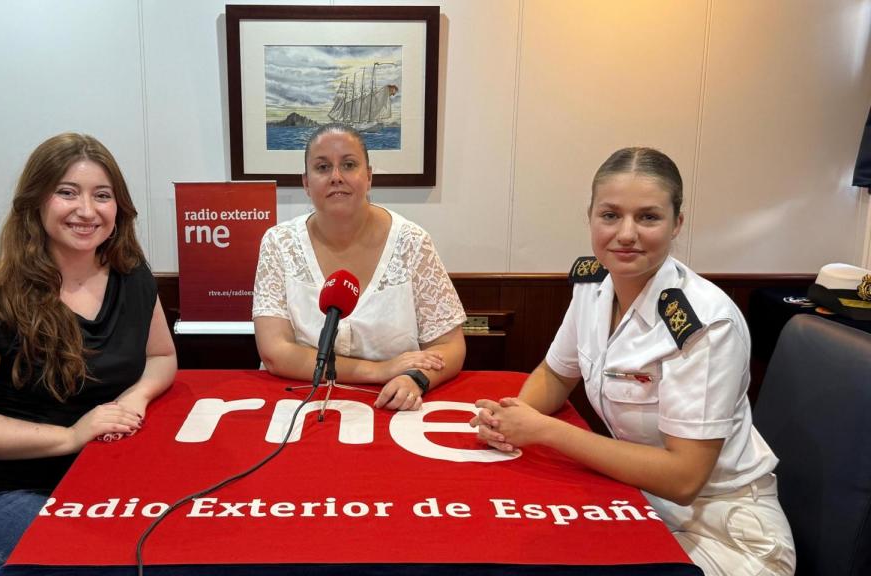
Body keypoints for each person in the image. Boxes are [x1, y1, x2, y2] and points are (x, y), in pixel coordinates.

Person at [471, 147, 795, 575]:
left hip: (724, 531)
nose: (626, 233)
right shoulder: (593, 285)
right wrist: (511, 420)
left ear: (677, 223)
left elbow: (684, 478)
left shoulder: (704, 323)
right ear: (590, 217)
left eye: (648, 217)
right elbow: (555, 374)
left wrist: (542, 430)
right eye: (610, 215)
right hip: (637, 502)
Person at [0, 133, 176, 576]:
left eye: (102, 195)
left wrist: (133, 398)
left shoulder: (133, 276)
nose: (87, 210)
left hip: (94, 487)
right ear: (35, 203)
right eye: (67, 192)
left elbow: (160, 358)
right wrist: (70, 437)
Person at [253, 123, 466, 410]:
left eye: (349, 165)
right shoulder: (278, 243)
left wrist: (415, 378)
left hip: (391, 407)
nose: (336, 177)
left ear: (368, 177)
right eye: (323, 167)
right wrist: (379, 370)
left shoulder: (412, 242)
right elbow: (275, 353)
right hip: (297, 403)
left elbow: (450, 346)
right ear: (305, 182)